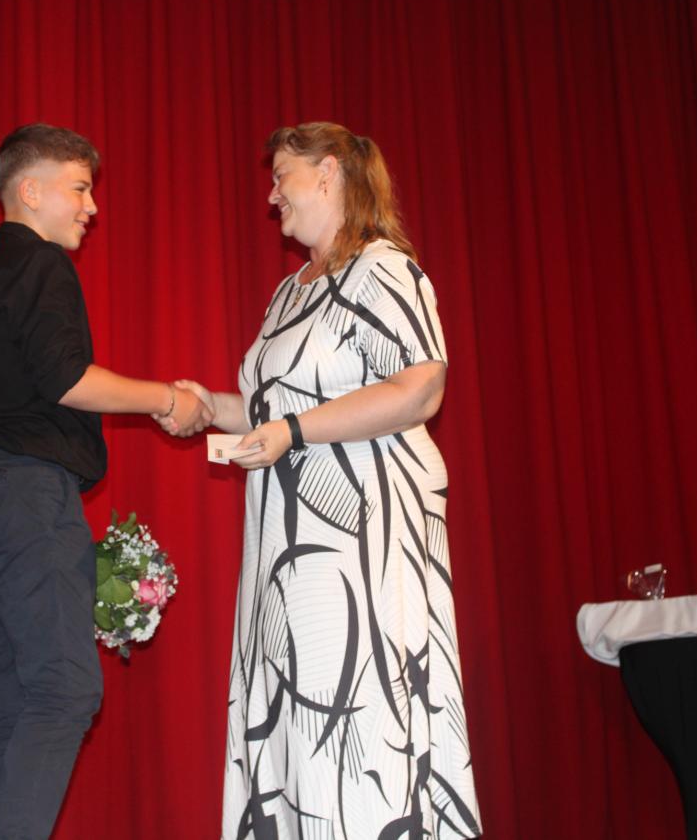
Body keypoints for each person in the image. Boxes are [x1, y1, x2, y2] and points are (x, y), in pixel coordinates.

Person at [164, 122, 481, 838]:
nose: (272, 194)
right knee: (297, 724)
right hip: (287, 549)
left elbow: (420, 388)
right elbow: (275, 408)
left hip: (361, 540)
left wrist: (295, 432)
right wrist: (207, 406)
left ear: (330, 173)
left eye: (283, 175)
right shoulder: (290, 292)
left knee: (356, 720)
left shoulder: (383, 270)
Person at [0, 123, 210, 840]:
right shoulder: (41, 264)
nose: (92, 207)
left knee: (10, 700)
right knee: (63, 689)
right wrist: (166, 398)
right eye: (81, 188)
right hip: (26, 490)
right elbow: (67, 378)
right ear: (30, 191)